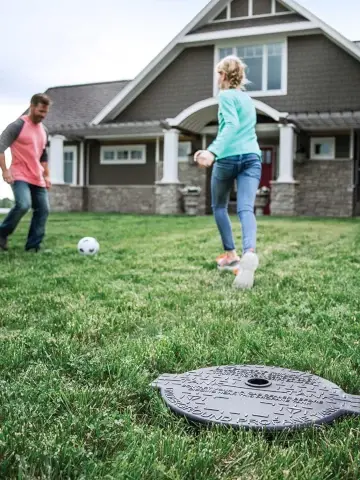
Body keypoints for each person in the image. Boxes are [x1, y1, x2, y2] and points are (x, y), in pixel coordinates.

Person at [194, 55, 262, 289]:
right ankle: (249, 252)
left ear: (222, 75)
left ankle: (231, 255)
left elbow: (231, 125)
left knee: (220, 206)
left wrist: (211, 151)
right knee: (245, 208)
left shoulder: (225, 96)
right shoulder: (247, 99)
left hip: (227, 158)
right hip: (252, 157)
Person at [0, 93, 52, 252]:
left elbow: (43, 154)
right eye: (40, 111)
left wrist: (47, 175)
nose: (43, 115)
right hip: (19, 174)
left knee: (43, 209)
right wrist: (5, 171)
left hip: (36, 176)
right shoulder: (17, 125)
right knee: (23, 205)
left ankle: (33, 246)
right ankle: (2, 233)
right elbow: (1, 147)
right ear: (32, 107)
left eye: (45, 112)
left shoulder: (44, 130)